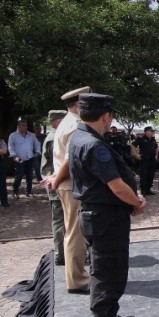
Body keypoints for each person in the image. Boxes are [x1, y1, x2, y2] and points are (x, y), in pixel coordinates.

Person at [69, 93, 146, 317]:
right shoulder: (94, 145)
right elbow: (116, 186)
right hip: (106, 217)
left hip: (99, 215)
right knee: (109, 270)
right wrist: (135, 202)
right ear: (106, 116)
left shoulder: (80, 137)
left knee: (105, 267)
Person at [44, 86, 92, 294]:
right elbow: (69, 161)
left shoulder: (67, 122)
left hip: (68, 184)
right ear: (78, 105)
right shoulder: (74, 125)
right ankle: (77, 279)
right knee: (75, 233)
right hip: (71, 184)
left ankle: (77, 276)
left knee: (72, 230)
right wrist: (56, 179)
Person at [41, 110, 67, 265]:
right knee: (60, 220)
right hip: (57, 184)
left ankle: (62, 254)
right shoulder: (54, 138)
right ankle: (61, 255)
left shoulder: (54, 137)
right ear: (57, 121)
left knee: (60, 220)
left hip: (55, 182)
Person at [8, 118, 41, 198]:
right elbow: (10, 147)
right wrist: (14, 156)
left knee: (29, 176)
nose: (25, 127)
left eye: (26, 126)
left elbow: (37, 144)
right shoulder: (13, 135)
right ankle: (15, 192)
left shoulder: (31, 135)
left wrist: (37, 152)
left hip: (30, 158)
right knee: (19, 176)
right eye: (22, 126)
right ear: (18, 126)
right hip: (19, 159)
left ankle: (29, 191)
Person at [131, 126, 158, 195]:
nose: (153, 132)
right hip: (144, 160)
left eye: (153, 131)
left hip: (152, 160)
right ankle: (143, 190)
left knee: (151, 175)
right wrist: (136, 154)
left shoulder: (153, 139)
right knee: (144, 175)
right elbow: (132, 145)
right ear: (146, 132)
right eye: (151, 131)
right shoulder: (141, 139)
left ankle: (148, 189)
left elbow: (156, 147)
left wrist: (156, 155)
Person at [0, 138, 7, 207]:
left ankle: (4, 201)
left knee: (2, 183)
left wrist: (1, 151)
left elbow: (4, 151)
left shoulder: (1, 140)